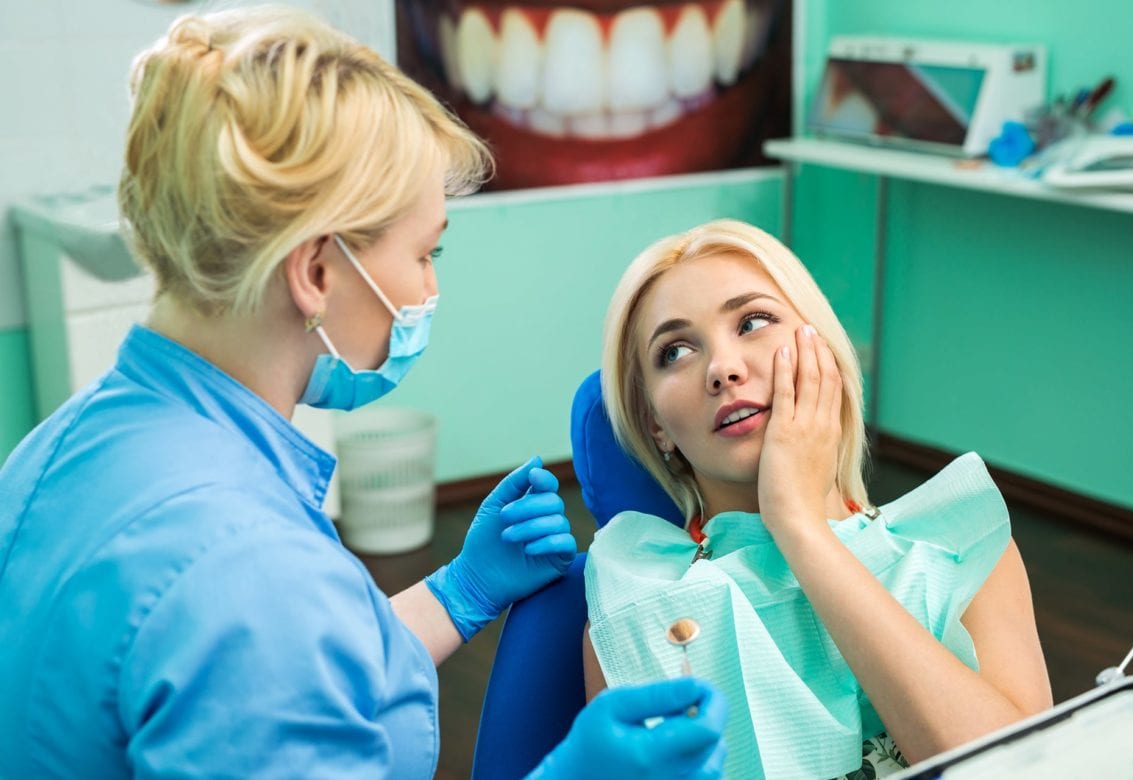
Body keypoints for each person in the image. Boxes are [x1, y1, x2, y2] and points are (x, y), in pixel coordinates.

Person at [0, 8, 726, 779]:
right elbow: (266, 639)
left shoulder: (64, 445)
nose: (429, 289)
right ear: (316, 272)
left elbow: (280, 684)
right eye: (424, 253)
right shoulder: (248, 571)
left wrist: (461, 590)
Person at [582, 219, 1053, 778]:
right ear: (655, 425)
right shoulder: (635, 609)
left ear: (823, 349)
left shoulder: (961, 548)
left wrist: (800, 528)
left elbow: (1022, 769)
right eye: (675, 351)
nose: (723, 369)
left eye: (753, 321)